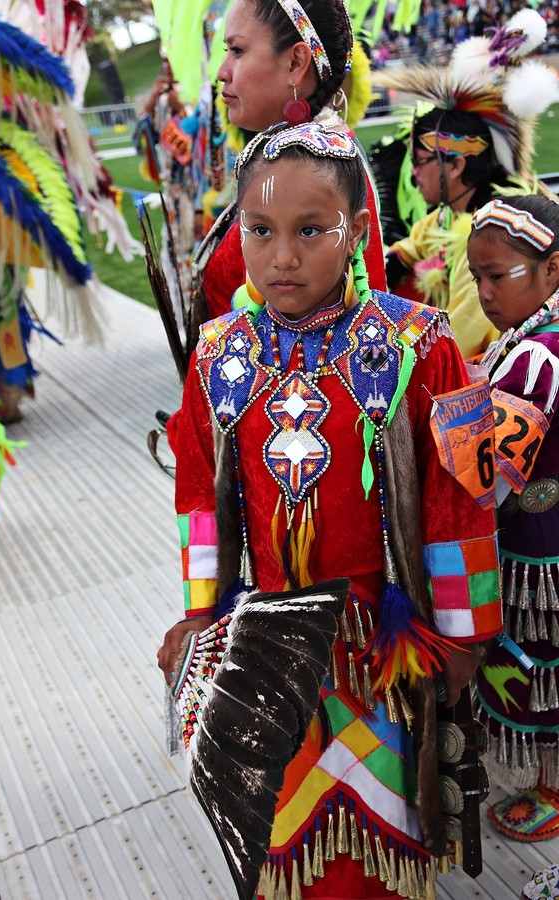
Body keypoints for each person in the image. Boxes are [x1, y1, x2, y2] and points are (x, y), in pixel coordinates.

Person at [158, 121, 502, 898]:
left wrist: (463, 634)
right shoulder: (219, 354)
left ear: (355, 231)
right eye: (260, 230)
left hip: (382, 646)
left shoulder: (421, 343)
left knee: (383, 837)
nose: (282, 256)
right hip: (271, 647)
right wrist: (199, 615)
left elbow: (460, 499)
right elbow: (198, 502)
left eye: (311, 230)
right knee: (284, 833)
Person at [156, 0, 386, 457]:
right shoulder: (301, 163)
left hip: (291, 463)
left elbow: (343, 349)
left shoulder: (315, 176)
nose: (221, 71)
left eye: (237, 51)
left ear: (296, 62)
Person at [372, 8, 558, 361]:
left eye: (420, 162)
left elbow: (458, 338)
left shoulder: (487, 239)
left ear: (456, 165)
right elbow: (416, 242)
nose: (412, 175)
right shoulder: (449, 216)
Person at [467, 195, 559, 842]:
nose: (484, 292)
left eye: (498, 276)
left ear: (552, 270)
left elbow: (481, 474)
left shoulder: (537, 358)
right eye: (477, 277)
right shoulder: (526, 342)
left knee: (538, 663)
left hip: (535, 557)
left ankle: (551, 784)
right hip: (538, 544)